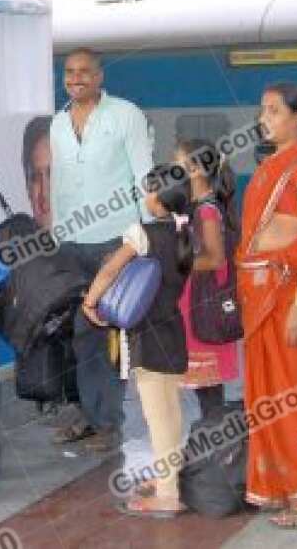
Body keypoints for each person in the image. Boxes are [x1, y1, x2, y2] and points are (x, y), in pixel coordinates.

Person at [50, 48, 154, 452]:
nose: (75, 78)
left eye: (84, 71)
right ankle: (94, 416)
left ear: (99, 76)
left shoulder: (126, 115)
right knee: (77, 335)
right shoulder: (58, 123)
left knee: (109, 334)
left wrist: (147, 234)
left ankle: (115, 421)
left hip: (115, 242)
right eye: (69, 72)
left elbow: (144, 175)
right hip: (71, 243)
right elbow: (58, 183)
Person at [82, 164, 194, 518]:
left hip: (147, 337)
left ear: (159, 198)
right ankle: (168, 479)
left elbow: (110, 270)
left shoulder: (142, 233)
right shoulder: (184, 233)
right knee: (171, 413)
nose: (146, 196)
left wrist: (90, 302)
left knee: (157, 418)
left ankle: (167, 496)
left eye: (149, 190)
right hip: (173, 332)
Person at [236, 82, 297, 529]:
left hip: (287, 298)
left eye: (275, 111)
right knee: (267, 397)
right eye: (263, 110)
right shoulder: (268, 166)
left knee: (291, 397)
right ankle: (281, 486)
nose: (264, 119)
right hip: (259, 298)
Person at [174, 139, 239, 418]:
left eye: (178, 163)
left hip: (204, 303)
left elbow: (215, 259)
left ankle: (217, 431)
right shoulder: (198, 206)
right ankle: (215, 428)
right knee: (207, 388)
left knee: (209, 388)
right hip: (199, 300)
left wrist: (177, 264)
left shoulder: (207, 210)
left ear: (196, 170)